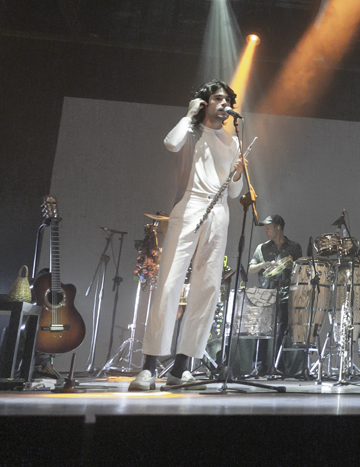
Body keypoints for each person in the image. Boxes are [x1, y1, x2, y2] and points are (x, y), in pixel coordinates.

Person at [130, 81, 245, 390]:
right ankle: (150, 364)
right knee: (169, 283)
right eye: (217, 98)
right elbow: (170, 143)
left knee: (207, 289)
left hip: (220, 212)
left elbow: (234, 192)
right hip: (189, 207)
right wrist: (189, 113)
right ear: (204, 102)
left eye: (227, 100)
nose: (224, 104)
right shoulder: (191, 132)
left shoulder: (232, 141)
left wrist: (237, 174)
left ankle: (182, 365)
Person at [248, 214, 304, 375]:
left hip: (286, 295)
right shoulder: (262, 248)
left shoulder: (294, 247)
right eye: (265, 227)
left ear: (279, 227)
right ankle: (259, 367)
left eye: (269, 227)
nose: (266, 230)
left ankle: (279, 366)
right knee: (262, 331)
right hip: (266, 295)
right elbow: (251, 269)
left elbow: (300, 270)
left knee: (281, 332)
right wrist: (262, 265)